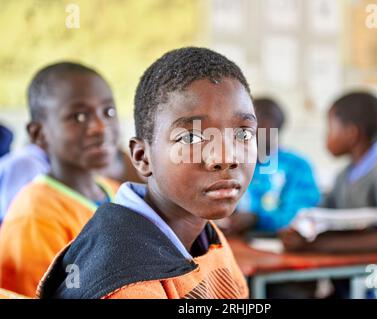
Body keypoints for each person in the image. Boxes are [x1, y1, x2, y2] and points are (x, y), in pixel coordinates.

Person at [38, 47, 256, 299]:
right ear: (142, 157)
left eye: (243, 134)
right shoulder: (124, 282)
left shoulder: (205, 233)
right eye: (192, 137)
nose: (225, 157)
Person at [0, 62, 120, 296]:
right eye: (78, 116)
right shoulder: (34, 217)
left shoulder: (114, 192)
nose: (100, 127)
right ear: (39, 134)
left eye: (108, 112)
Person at [280, 91, 377, 257]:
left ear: (351, 133)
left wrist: (316, 245)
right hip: (352, 274)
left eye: (330, 127)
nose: (326, 136)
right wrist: (300, 231)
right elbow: (324, 212)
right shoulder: (345, 175)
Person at [221, 97, 320, 235]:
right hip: (236, 243)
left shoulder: (298, 166)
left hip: (281, 247)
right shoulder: (234, 164)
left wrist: (256, 219)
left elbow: (300, 218)